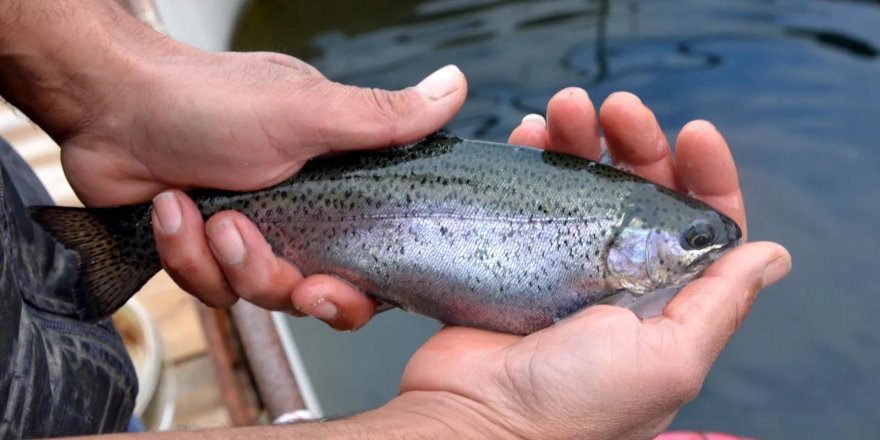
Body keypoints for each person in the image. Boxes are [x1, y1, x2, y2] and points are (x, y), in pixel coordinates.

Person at [0, 1, 790, 439]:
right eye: (689, 242)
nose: (703, 249)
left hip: (65, 374)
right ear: (631, 242)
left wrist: (106, 85)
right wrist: (482, 427)